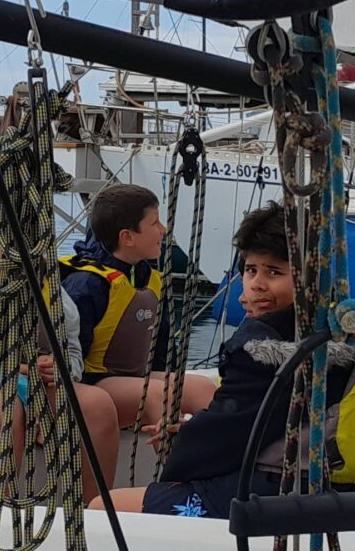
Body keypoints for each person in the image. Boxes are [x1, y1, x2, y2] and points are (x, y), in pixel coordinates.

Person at [110, 203, 313, 519]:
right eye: (251, 270)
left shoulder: (260, 351)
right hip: (330, 488)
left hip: (268, 493)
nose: (257, 284)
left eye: (274, 272)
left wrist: (179, 444)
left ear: (308, 277)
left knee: (104, 507)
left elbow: (227, 438)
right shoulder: (340, 335)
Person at [0, 196, 120, 493]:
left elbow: (73, 350)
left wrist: (61, 368)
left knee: (97, 404)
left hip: (35, 384)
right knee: (6, 408)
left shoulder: (51, 290)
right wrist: (14, 374)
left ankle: (94, 507)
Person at [62, 183, 215, 438]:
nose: (163, 230)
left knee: (203, 389)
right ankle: (172, 463)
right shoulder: (86, 285)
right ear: (128, 238)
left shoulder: (150, 279)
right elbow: (69, 354)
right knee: (156, 395)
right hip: (93, 383)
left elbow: (163, 349)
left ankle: (219, 461)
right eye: (155, 223)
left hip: (135, 378)